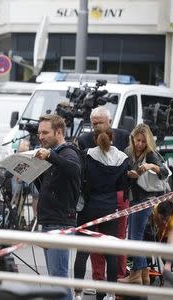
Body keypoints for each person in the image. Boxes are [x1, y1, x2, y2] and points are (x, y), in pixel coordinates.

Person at [76, 106, 130, 285]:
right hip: (110, 204)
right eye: (94, 124)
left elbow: (81, 174)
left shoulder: (88, 153)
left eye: (100, 123)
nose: (96, 127)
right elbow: (122, 183)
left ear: (109, 122)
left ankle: (79, 292)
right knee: (108, 251)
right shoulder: (120, 157)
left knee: (87, 249)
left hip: (97, 204)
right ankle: (103, 286)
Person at [34, 114, 81, 300]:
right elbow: (46, 188)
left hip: (60, 224)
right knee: (55, 282)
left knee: (59, 281)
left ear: (59, 132)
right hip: (49, 222)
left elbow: (74, 169)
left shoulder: (68, 151)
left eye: (45, 132)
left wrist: (51, 156)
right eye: (39, 133)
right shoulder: (52, 154)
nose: (41, 136)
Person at [119, 123, 169, 285]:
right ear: (132, 139)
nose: (139, 144)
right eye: (137, 140)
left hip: (146, 200)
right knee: (134, 237)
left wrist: (151, 166)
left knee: (135, 237)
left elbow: (165, 172)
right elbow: (122, 175)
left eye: (143, 141)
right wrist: (129, 175)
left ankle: (136, 275)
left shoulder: (151, 154)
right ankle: (143, 275)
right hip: (133, 199)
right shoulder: (128, 152)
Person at [144, 200, 173, 273]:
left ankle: (168, 271)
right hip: (152, 232)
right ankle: (145, 267)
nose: (164, 222)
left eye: (166, 219)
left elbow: (171, 244)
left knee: (171, 248)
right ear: (157, 212)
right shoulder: (153, 209)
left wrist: (168, 264)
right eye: (162, 218)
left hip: (164, 236)